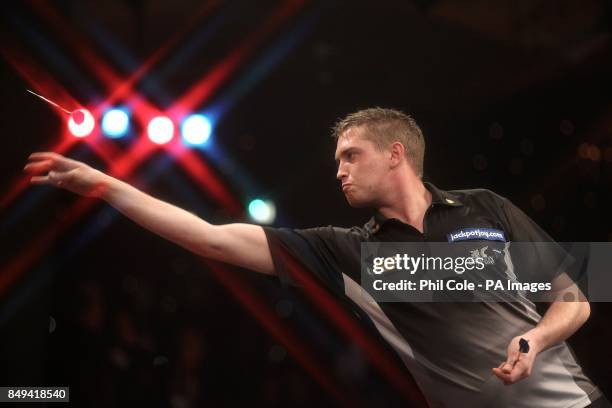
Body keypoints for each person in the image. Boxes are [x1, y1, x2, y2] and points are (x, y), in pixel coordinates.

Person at [24, 107, 607, 407]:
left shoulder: (486, 209)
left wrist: (534, 341)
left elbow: (575, 302)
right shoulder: (349, 253)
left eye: (351, 156)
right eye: (336, 160)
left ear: (396, 154)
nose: (339, 171)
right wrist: (106, 187)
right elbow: (210, 236)